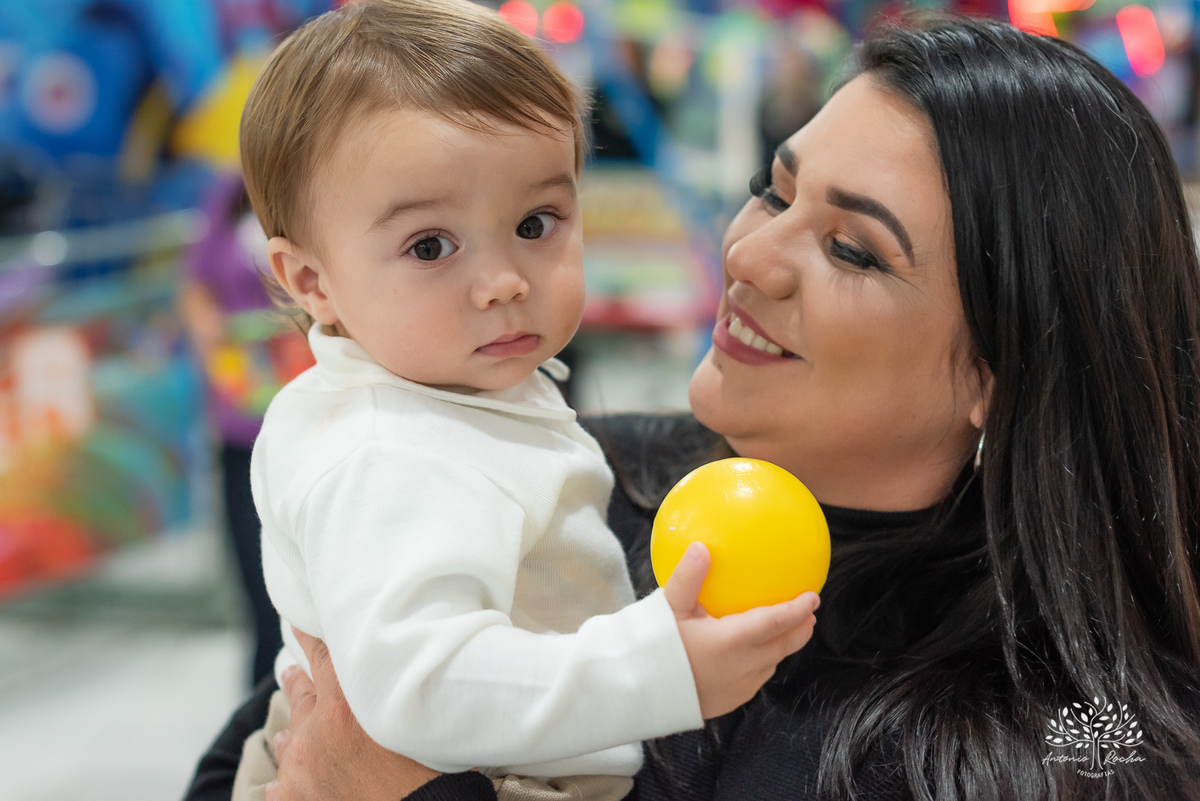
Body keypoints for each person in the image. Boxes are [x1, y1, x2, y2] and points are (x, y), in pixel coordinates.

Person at [184, 13, 1200, 801]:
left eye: (852, 249)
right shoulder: (577, 474)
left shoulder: (1068, 695)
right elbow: (260, 738)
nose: (751, 255)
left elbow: (1129, 739)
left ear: (999, 367)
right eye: (774, 188)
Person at [225, 0, 821, 799]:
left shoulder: (444, 396)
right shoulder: (384, 447)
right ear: (311, 280)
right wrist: (652, 666)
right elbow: (420, 690)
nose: (504, 279)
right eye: (430, 246)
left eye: (537, 223)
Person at [180, 174, 290, 687]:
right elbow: (196, 286)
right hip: (241, 424)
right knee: (258, 589)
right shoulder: (226, 192)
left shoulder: (314, 179)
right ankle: (258, 723)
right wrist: (218, 348)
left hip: (308, 413)